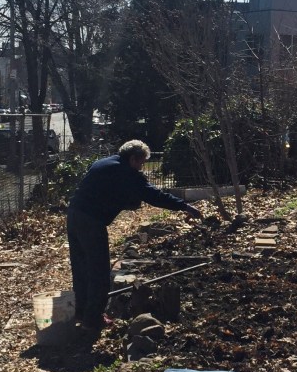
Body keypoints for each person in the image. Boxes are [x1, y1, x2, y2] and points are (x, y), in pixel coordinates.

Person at [66, 140, 202, 332]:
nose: (142, 167)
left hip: (74, 215)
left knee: (81, 267)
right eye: (141, 163)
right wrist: (184, 206)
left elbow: (111, 193)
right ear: (133, 158)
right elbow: (153, 195)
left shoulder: (103, 163)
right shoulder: (126, 173)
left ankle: (81, 312)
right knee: (99, 271)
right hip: (91, 222)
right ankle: (93, 319)